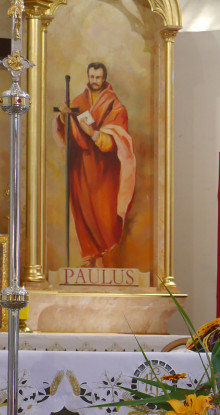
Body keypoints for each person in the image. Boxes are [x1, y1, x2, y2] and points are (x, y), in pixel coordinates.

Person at [53, 62, 136, 268]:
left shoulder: (114, 105)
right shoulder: (79, 101)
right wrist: (64, 116)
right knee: (84, 211)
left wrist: (93, 133)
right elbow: (66, 133)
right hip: (80, 167)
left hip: (104, 170)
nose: (94, 81)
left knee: (104, 213)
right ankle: (91, 257)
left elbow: (117, 137)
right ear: (88, 77)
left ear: (104, 78)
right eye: (91, 77)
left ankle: (105, 256)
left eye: (98, 77)